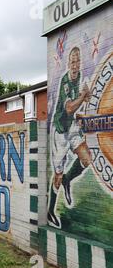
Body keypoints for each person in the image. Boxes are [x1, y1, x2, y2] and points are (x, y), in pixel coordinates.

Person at [48, 46, 92, 229]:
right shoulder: (65, 81)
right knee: (57, 174)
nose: (75, 64)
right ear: (68, 63)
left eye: (77, 61)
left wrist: (85, 99)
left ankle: (68, 179)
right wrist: (83, 96)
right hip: (59, 131)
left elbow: (84, 100)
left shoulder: (82, 78)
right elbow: (68, 108)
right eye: (72, 61)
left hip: (72, 126)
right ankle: (50, 211)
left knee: (86, 159)